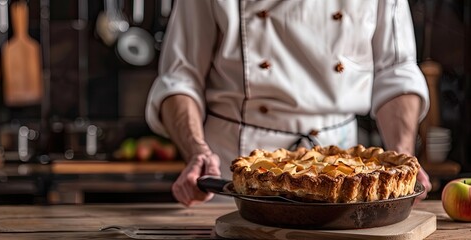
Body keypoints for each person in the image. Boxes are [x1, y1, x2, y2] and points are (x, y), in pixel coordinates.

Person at [145, 0, 432, 206]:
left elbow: (396, 73)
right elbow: (180, 78)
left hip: (347, 170)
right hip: (240, 170)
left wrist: (403, 158)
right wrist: (197, 151)